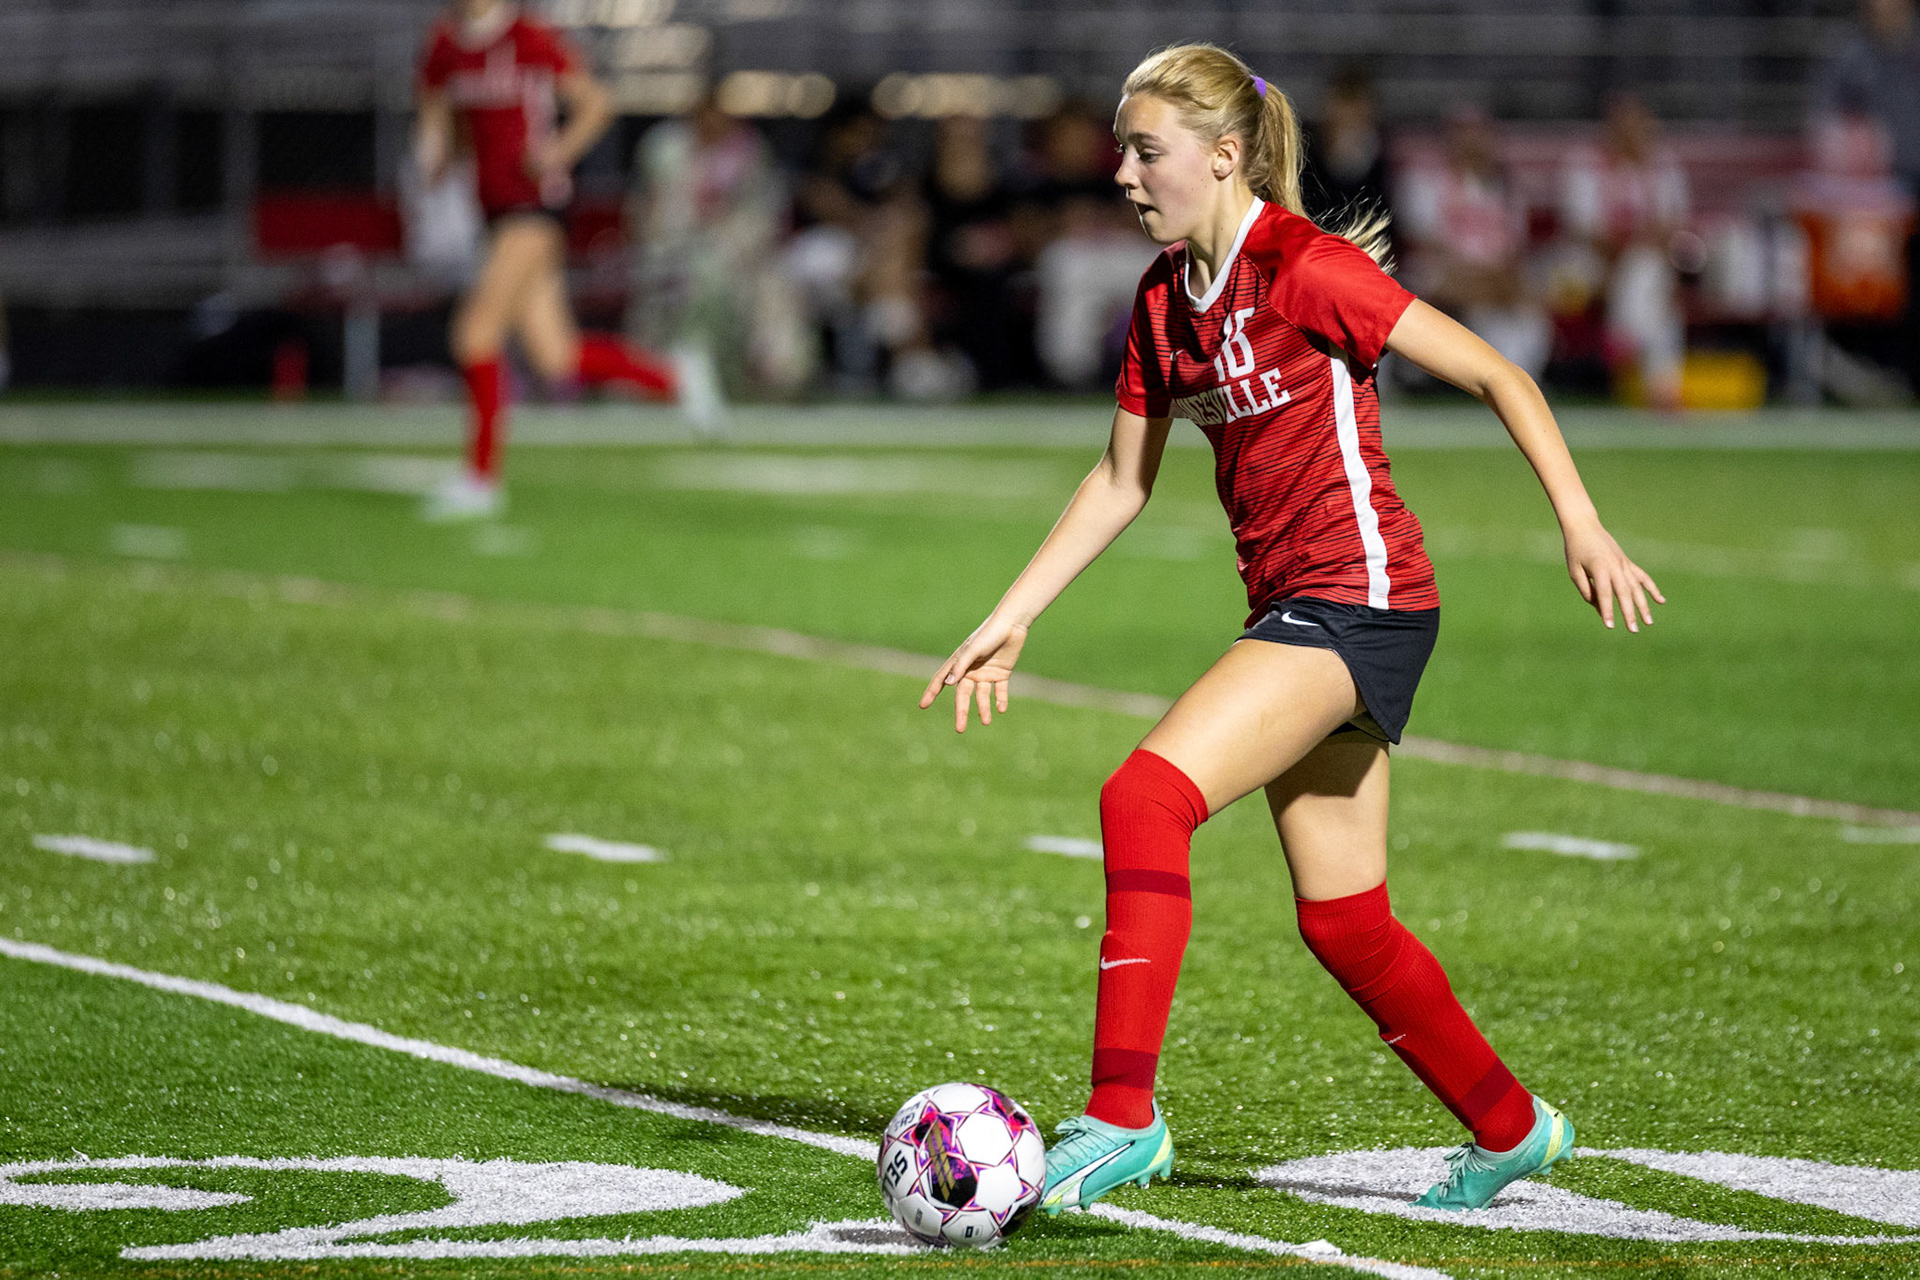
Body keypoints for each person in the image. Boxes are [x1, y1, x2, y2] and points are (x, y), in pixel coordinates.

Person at [920, 43, 1662, 1217]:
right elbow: (1120, 481)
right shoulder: (1160, 299)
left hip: (1358, 597)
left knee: (1143, 798)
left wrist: (1582, 521)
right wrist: (1009, 617)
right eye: (1121, 151)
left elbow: (1499, 373)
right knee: (1346, 920)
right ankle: (1512, 1126)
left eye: (1145, 151)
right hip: (1307, 607)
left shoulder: (1306, 267)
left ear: (1225, 155)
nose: (1122, 173)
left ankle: (1121, 1119)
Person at [414, 0, 723, 521]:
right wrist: (439, 155)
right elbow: (441, 115)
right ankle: (675, 377)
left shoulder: (527, 36)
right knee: (556, 357)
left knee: (475, 333)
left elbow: (595, 102)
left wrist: (557, 152)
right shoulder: (444, 45)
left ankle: (480, 479)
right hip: (493, 211)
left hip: (533, 207)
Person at [1396, 106, 1551, 378]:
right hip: (1442, 271)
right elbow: (1420, 243)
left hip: (1494, 276)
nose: (1472, 143)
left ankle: (1523, 378)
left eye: (1479, 135)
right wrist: (1472, 276)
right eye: (1463, 135)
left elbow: (1515, 250)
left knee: (1528, 300)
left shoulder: (1506, 189)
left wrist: (1498, 278)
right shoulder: (1426, 181)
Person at [1559, 95, 1690, 410]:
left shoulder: (1664, 166)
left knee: (1650, 279)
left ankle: (1624, 338)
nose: (1631, 135)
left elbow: (1672, 228)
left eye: (1638, 127)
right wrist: (1625, 256)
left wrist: (1637, 255)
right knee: (1650, 286)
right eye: (1624, 127)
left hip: (1642, 266)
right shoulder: (1584, 163)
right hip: (1588, 265)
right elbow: (1581, 230)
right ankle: (1662, 386)